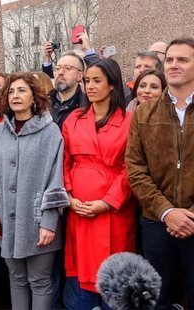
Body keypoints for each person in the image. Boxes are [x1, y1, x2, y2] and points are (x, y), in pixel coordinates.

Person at [0, 72, 69, 310]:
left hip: (38, 220)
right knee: (16, 279)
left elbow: (56, 177)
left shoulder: (50, 132)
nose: (16, 96)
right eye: (12, 91)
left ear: (35, 96)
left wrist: (49, 221)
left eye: (22, 91)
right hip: (6, 219)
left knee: (39, 280)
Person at [125, 37, 194, 309]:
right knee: (157, 300)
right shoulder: (144, 113)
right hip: (156, 223)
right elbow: (135, 168)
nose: (174, 65)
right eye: (170, 60)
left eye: (183, 60)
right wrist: (167, 211)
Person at [62, 58, 135, 309]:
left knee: (112, 278)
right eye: (87, 81)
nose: (89, 86)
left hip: (113, 210)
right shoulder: (74, 118)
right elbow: (65, 162)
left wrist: (107, 202)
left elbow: (130, 168)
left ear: (112, 85)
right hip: (79, 208)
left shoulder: (129, 121)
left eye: (97, 81)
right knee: (81, 277)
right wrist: (69, 197)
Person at [49, 51, 86, 130]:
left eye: (68, 68)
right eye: (58, 68)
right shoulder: (43, 104)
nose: (60, 72)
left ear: (80, 76)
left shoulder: (87, 106)